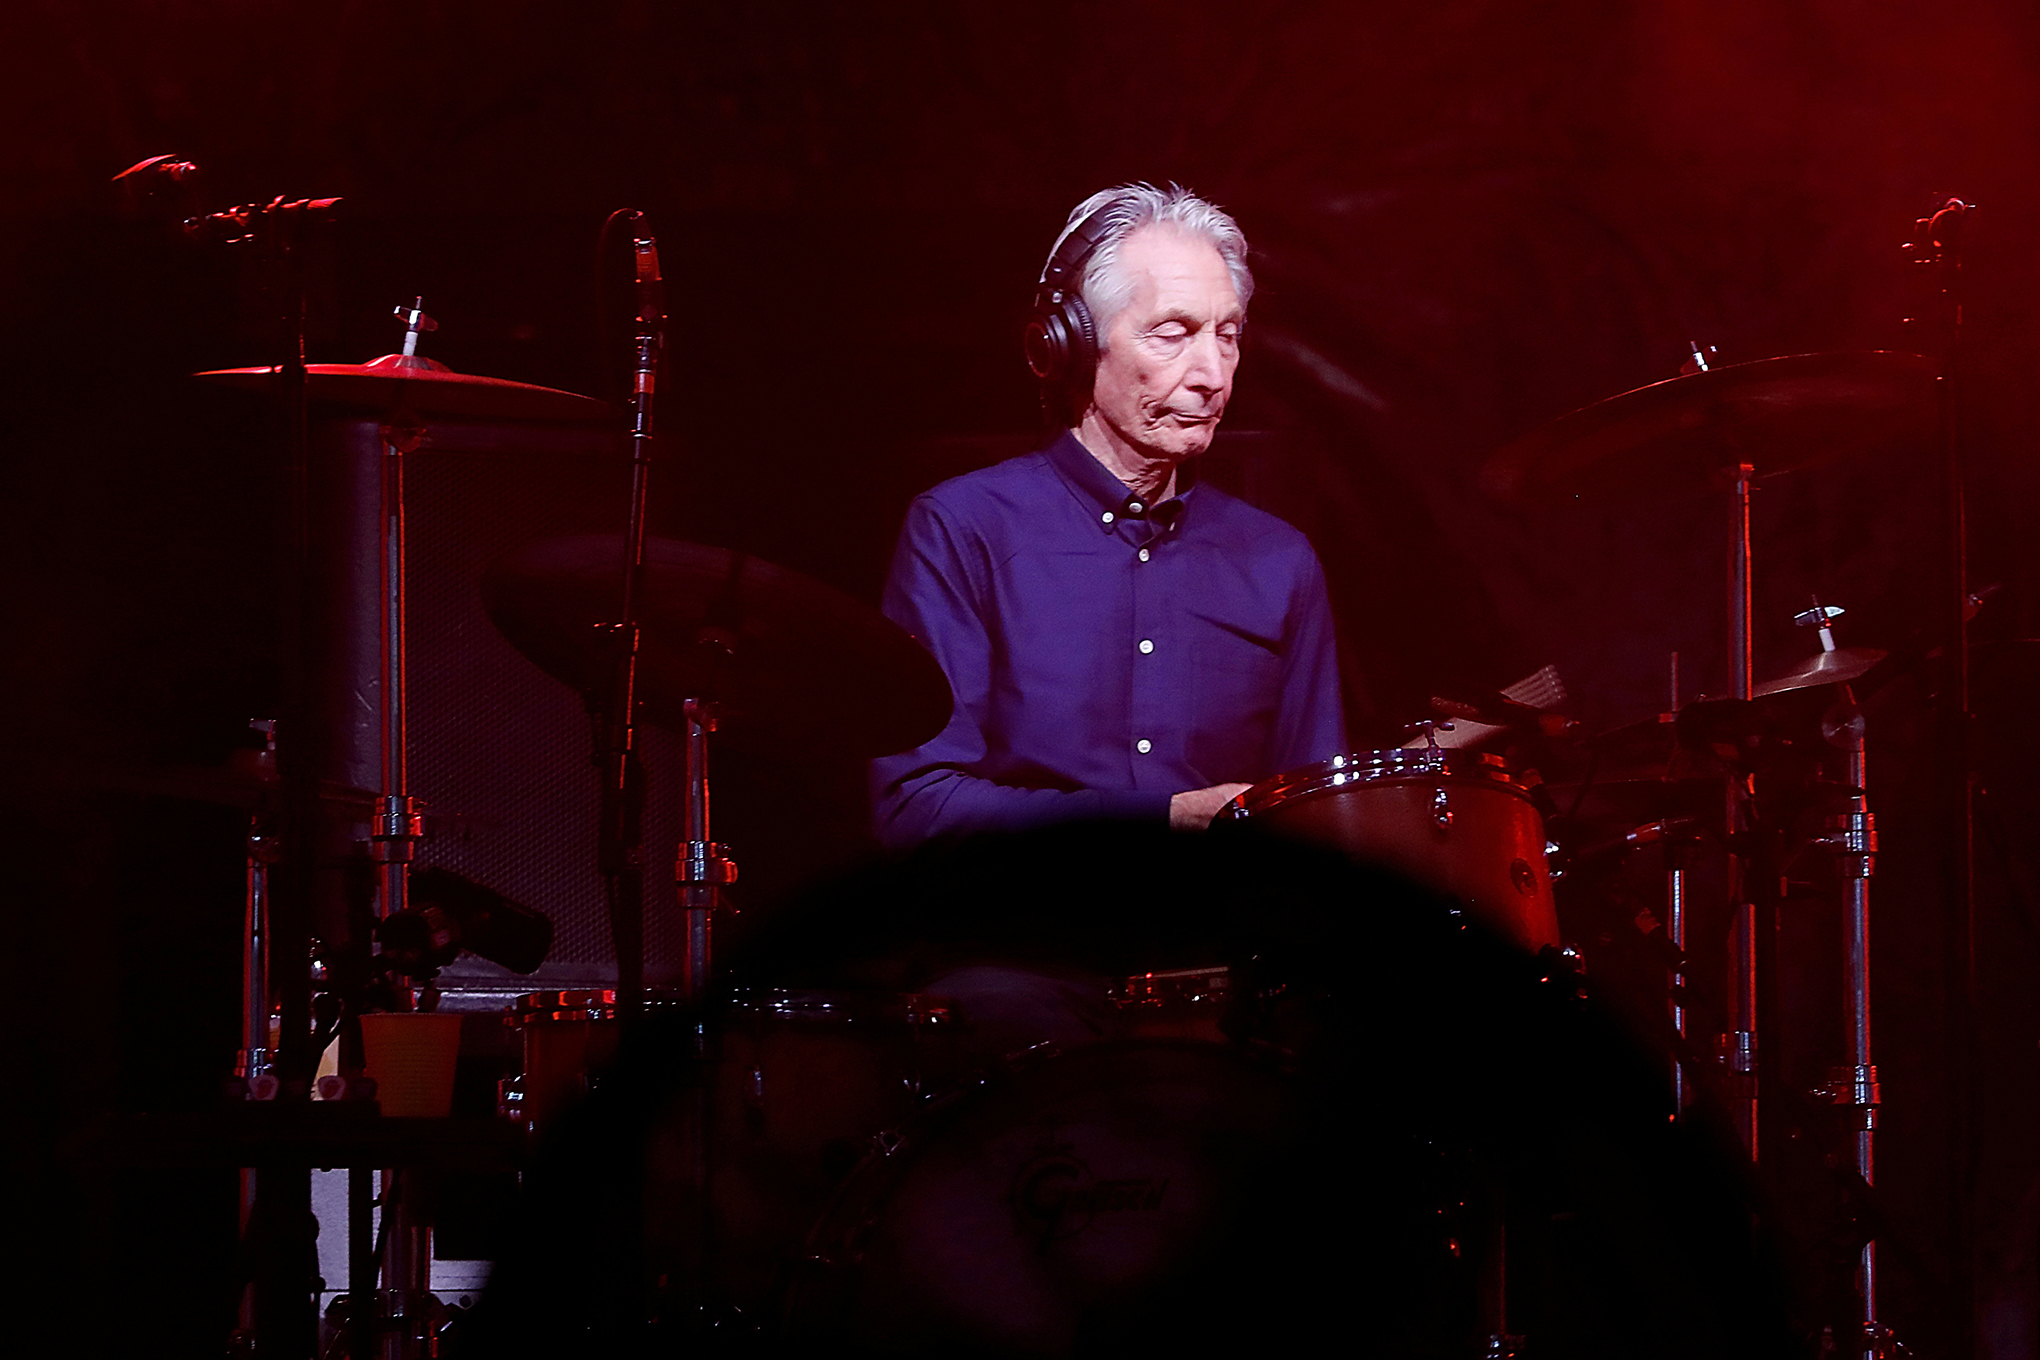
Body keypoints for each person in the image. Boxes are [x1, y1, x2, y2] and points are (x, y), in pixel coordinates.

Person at [870, 182, 1345, 854]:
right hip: (1024, 945)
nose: (1212, 372)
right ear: (1071, 345)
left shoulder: (1279, 562)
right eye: (1173, 333)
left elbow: (1318, 827)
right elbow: (917, 809)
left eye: (1228, 335)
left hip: (1219, 945)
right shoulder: (964, 529)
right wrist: (1161, 817)